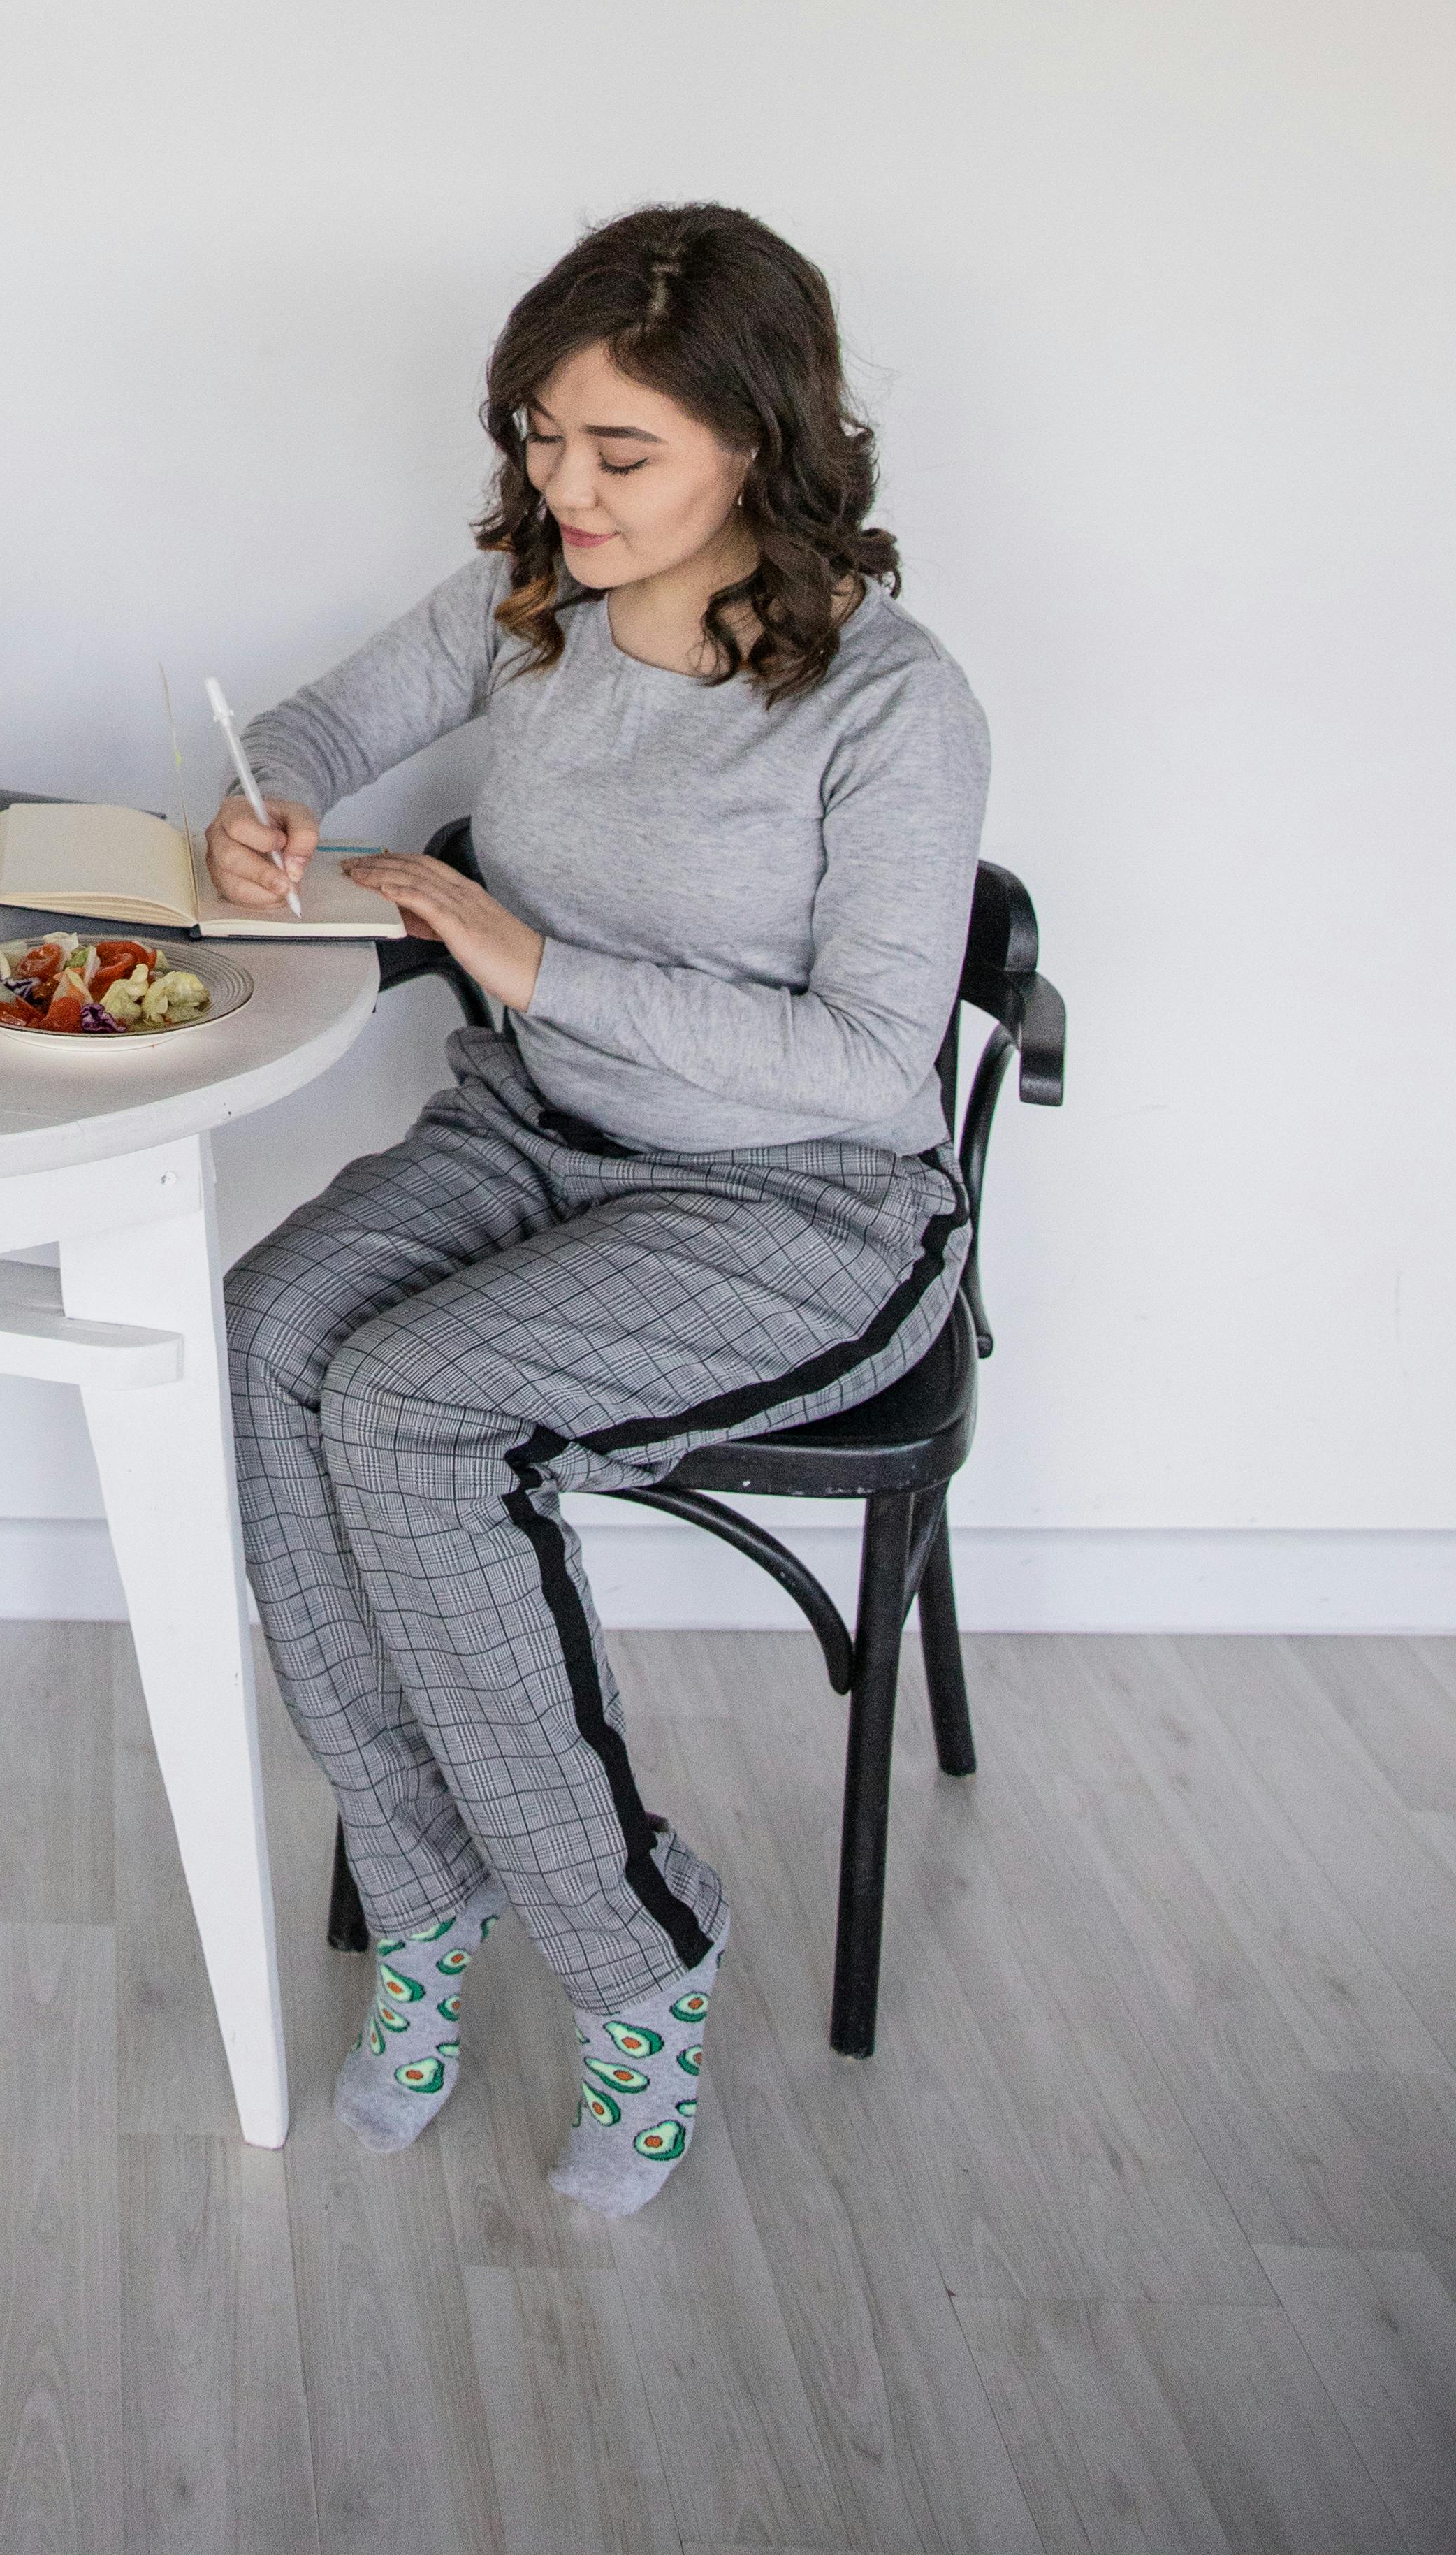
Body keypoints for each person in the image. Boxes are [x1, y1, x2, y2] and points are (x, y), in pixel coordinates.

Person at [211, 202, 987, 2209]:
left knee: (406, 1403)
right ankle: (426, 1887)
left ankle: (638, 1954)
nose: (561, 487)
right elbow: (311, 724)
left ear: (760, 443)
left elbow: (871, 1064)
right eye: (540, 434)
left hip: (800, 1205)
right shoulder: (525, 602)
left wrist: (538, 964)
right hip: (537, 1136)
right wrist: (270, 798)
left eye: (617, 452)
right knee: (271, 1333)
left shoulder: (895, 706)